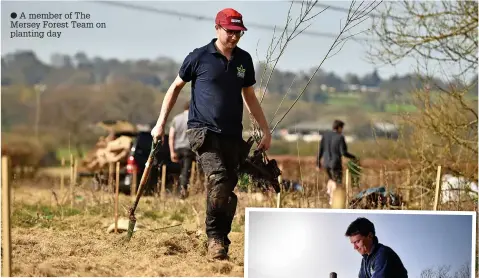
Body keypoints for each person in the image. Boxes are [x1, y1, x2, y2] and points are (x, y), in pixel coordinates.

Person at [150, 7, 271, 260]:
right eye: (230, 31)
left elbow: (249, 96)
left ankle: (220, 241)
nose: (235, 37)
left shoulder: (244, 61)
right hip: (202, 131)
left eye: (239, 32)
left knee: (227, 188)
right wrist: (160, 123)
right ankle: (214, 238)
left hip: (231, 135)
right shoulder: (198, 57)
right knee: (218, 180)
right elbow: (174, 88)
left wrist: (265, 129)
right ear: (217, 28)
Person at [316, 120, 357, 205]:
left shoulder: (325, 136)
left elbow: (320, 150)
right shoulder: (340, 137)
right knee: (338, 183)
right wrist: (354, 157)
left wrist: (318, 163)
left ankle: (330, 196)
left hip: (326, 163)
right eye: (342, 128)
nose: (342, 130)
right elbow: (343, 152)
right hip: (336, 164)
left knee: (331, 179)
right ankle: (334, 201)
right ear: (339, 127)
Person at [168, 100, 195, 199]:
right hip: (188, 149)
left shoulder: (176, 119)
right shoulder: (194, 119)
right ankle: (183, 193)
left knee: (178, 170)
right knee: (185, 171)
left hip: (177, 149)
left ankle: (173, 189)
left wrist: (172, 151)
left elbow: (171, 136)